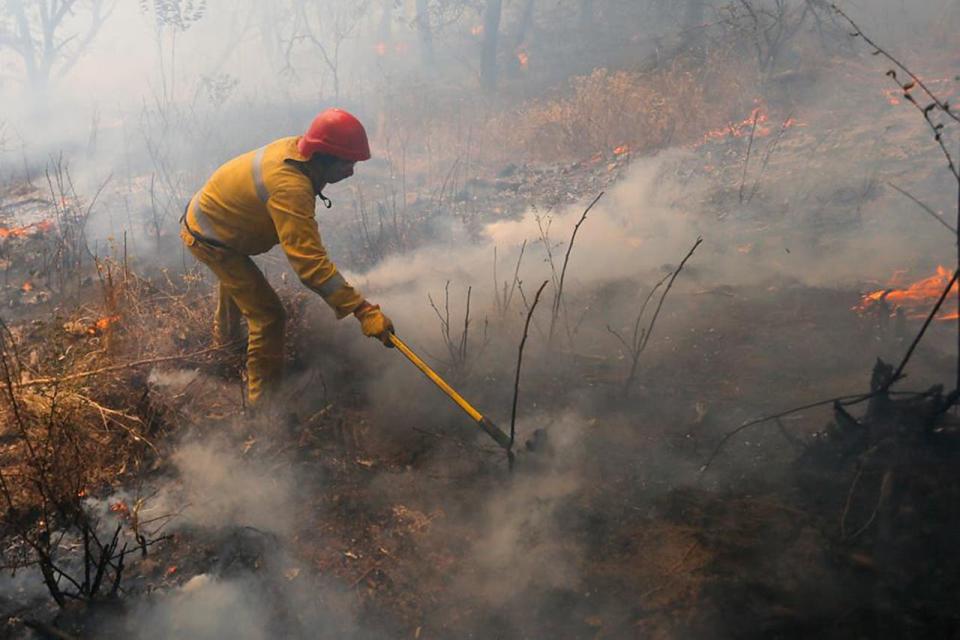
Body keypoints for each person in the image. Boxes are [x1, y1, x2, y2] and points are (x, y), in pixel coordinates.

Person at [180, 108, 394, 407]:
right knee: (269, 316)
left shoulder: (296, 150)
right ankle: (263, 409)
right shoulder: (290, 187)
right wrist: (362, 310)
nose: (351, 171)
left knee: (239, 284)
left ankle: (225, 347)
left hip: (219, 224)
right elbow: (310, 265)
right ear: (325, 155)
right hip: (212, 239)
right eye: (347, 163)